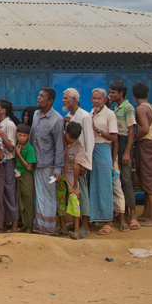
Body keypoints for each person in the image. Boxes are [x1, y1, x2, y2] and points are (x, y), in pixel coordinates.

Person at [30, 87, 65, 236]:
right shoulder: (36, 114)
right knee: (39, 195)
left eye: (42, 96)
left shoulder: (57, 119)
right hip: (36, 163)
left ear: (50, 101)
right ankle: (39, 226)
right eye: (38, 95)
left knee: (49, 196)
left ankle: (48, 228)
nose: (39, 98)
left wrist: (58, 169)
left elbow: (59, 146)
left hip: (49, 165)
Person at [61, 89, 93, 237]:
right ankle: (76, 223)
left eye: (66, 98)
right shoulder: (68, 117)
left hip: (80, 162)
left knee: (82, 191)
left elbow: (89, 141)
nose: (64, 101)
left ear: (73, 100)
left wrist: (85, 164)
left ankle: (84, 225)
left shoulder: (85, 116)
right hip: (68, 164)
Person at [109, 82, 139, 229]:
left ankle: (133, 215)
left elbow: (131, 131)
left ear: (121, 93)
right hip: (117, 143)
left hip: (124, 142)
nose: (111, 95)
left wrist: (127, 151)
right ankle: (121, 212)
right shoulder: (115, 107)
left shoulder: (128, 108)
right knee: (117, 179)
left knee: (126, 179)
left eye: (113, 93)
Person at [131, 82, 152, 227]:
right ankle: (147, 213)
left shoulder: (141, 109)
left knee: (149, 181)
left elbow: (145, 128)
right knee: (147, 179)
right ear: (147, 94)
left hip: (146, 144)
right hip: (151, 144)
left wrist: (134, 138)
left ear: (133, 95)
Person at [89, 89, 117, 234]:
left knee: (105, 186)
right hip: (92, 151)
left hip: (104, 150)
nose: (96, 101)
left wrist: (97, 130)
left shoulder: (109, 114)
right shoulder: (91, 113)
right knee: (93, 186)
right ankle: (95, 218)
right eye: (94, 98)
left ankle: (109, 221)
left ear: (105, 100)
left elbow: (114, 138)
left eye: (99, 98)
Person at [0, 98, 19, 234]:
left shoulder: (9, 126)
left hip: (8, 161)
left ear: (3, 110)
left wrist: (0, 133)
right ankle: (3, 222)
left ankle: (14, 223)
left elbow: (11, 147)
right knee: (1, 192)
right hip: (0, 162)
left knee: (9, 191)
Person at [58, 122, 86, 239]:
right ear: (66, 132)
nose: (71, 141)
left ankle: (76, 230)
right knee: (60, 200)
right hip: (59, 173)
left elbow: (76, 166)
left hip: (71, 175)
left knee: (75, 200)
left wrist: (75, 186)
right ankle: (63, 226)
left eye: (74, 139)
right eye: (69, 137)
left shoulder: (79, 145)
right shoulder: (59, 138)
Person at [15, 123, 36, 232]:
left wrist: (18, 154)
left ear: (28, 136)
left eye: (24, 135)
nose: (21, 138)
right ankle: (24, 224)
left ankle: (29, 226)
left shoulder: (29, 148)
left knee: (28, 201)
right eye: (20, 135)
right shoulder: (17, 145)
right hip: (18, 175)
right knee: (20, 200)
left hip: (26, 177)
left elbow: (28, 167)